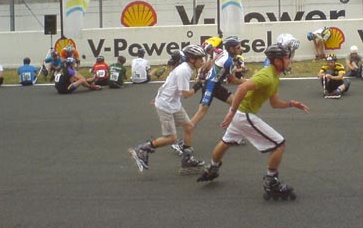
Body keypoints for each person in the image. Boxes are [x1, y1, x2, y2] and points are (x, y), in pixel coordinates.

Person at [197, 44, 309, 200]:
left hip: (241, 116)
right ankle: (271, 182)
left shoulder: (274, 76)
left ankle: (212, 168)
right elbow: (243, 88)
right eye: (286, 58)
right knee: (279, 144)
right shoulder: (266, 76)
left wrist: (291, 104)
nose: (289, 60)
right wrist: (232, 112)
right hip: (244, 115)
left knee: (226, 142)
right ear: (277, 61)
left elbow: (274, 103)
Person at [128, 45, 207, 174]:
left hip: (173, 103)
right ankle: (142, 149)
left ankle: (187, 160)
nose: (202, 61)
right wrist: (199, 85)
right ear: (192, 59)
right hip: (165, 105)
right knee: (171, 138)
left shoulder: (188, 68)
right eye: (200, 58)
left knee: (189, 127)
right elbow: (186, 95)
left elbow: (170, 85)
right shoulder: (184, 71)